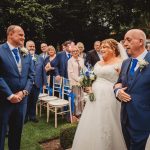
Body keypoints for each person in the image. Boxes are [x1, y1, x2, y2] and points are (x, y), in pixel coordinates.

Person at [72, 39, 127, 150]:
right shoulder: (98, 63)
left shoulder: (121, 62)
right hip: (94, 97)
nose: (102, 49)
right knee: (92, 121)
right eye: (101, 47)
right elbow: (93, 77)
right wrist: (89, 86)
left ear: (113, 49)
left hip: (110, 97)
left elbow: (123, 81)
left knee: (108, 122)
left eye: (105, 47)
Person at [114, 29, 150, 150]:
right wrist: (117, 91)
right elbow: (118, 83)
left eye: (128, 40)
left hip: (144, 120)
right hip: (125, 118)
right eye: (124, 41)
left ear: (140, 41)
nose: (124, 44)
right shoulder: (125, 63)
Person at [0, 25, 34, 150]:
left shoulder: (25, 53)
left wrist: (24, 92)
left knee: (16, 134)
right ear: (10, 35)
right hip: (3, 100)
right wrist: (10, 95)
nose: (23, 37)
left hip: (21, 102)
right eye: (20, 34)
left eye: (24, 35)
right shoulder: (0, 50)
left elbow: (31, 75)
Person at [25, 40, 47, 123]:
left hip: (37, 84)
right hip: (27, 85)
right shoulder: (23, 57)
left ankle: (33, 116)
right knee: (26, 101)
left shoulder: (39, 58)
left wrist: (44, 83)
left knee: (34, 101)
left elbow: (43, 71)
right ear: (26, 47)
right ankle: (25, 117)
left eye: (33, 46)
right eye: (30, 46)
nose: (32, 48)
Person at [68, 45, 85, 118]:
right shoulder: (70, 61)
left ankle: (81, 111)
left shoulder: (81, 59)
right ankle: (76, 113)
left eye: (76, 51)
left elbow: (83, 70)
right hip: (74, 82)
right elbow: (71, 72)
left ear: (78, 52)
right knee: (76, 97)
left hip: (81, 81)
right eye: (73, 51)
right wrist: (78, 79)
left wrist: (83, 78)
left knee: (81, 96)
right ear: (71, 53)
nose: (75, 52)